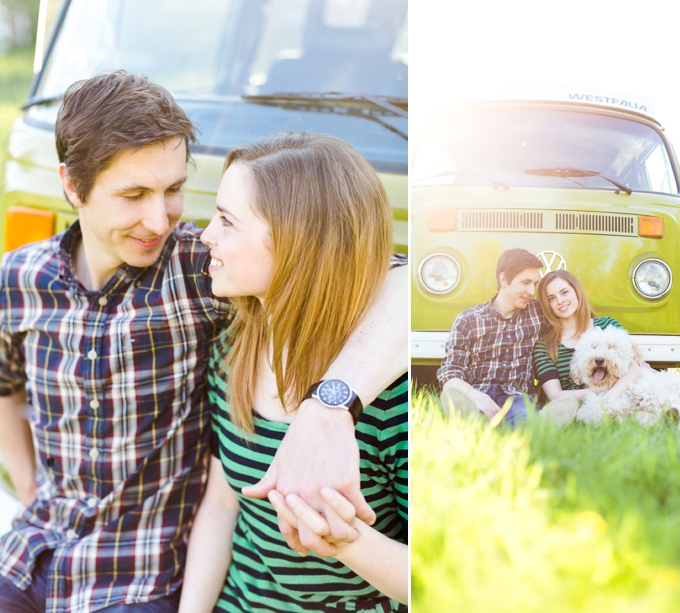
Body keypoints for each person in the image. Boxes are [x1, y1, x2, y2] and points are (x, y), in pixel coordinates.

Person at [0, 71, 407, 613]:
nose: (164, 218)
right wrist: (27, 489)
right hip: (37, 550)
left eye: (173, 190)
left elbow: (394, 283)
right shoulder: (20, 278)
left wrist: (329, 408)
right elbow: (6, 388)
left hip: (138, 574)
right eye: (133, 194)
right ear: (73, 187)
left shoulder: (200, 268)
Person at [177, 132, 407, 612]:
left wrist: (346, 541)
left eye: (227, 221)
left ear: (296, 243)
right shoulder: (232, 349)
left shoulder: (393, 399)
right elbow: (223, 505)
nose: (205, 235)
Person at [437, 248, 576, 427]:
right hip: (479, 392)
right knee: (474, 421)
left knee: (524, 421)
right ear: (503, 279)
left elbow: (570, 321)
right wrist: (476, 396)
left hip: (517, 397)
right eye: (525, 282)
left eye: (535, 283)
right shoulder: (469, 320)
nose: (532, 291)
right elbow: (450, 375)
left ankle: (539, 425)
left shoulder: (539, 313)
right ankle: (468, 419)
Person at [532, 269, 640, 423]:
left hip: (618, 399)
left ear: (577, 292)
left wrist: (608, 399)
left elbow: (634, 369)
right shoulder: (544, 346)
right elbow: (555, 395)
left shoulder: (607, 325)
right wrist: (599, 391)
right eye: (551, 298)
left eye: (564, 292)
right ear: (546, 305)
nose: (560, 300)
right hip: (573, 408)